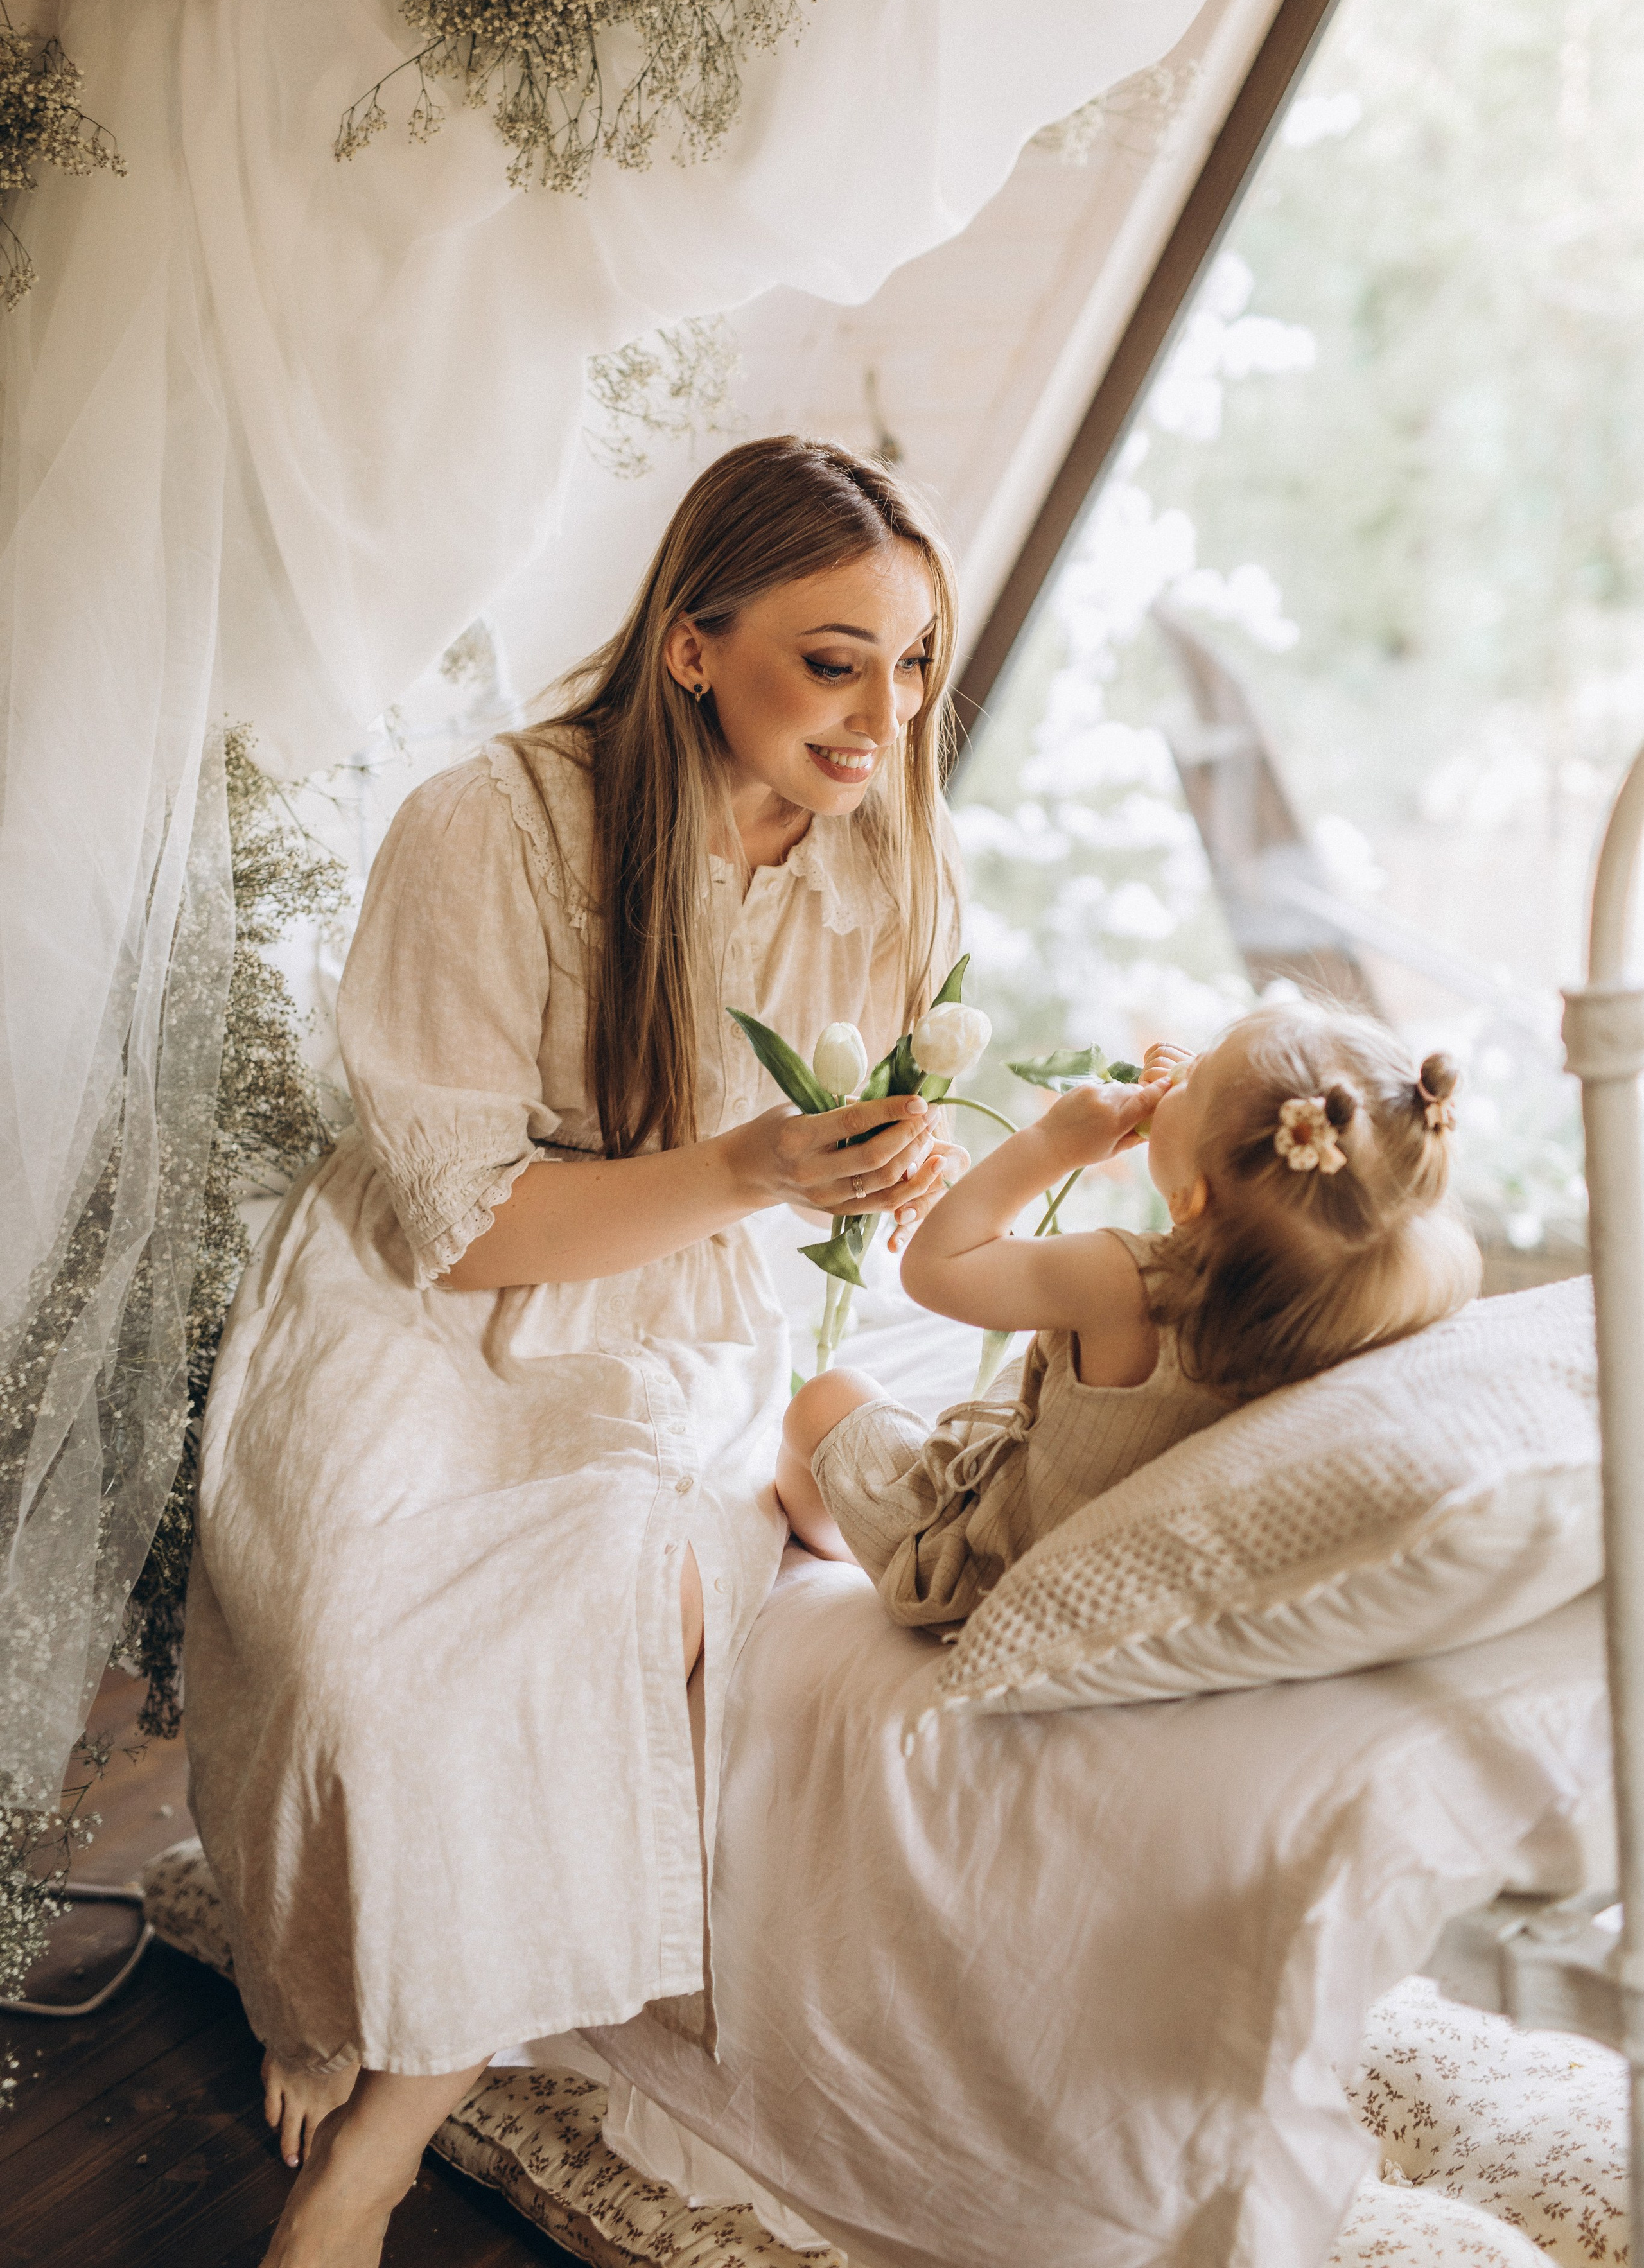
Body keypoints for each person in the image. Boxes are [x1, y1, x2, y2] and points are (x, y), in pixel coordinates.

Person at [184, 437, 968, 2268]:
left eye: (917, 661)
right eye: (836, 656)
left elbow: (874, 1198)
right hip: (427, 1300)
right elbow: (474, 1229)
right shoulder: (492, 824)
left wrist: (993, 1159)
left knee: (573, 1622)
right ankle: (317, 1988)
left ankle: (368, 2161)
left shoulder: (892, 872)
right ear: (693, 646)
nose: (884, 714)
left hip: (670, 1327)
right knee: (349, 1666)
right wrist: (759, 1163)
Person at [776, 1004, 1482, 1626]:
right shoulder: (1339, 1300)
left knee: (825, 1398)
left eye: (1195, 1079)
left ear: (1191, 1201)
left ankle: (825, 1540)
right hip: (1096, 1552)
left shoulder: (1123, 1284)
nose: (1179, 1074)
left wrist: (1052, 1144)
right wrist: (1201, 1109)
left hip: (974, 1562)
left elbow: (934, 1267)